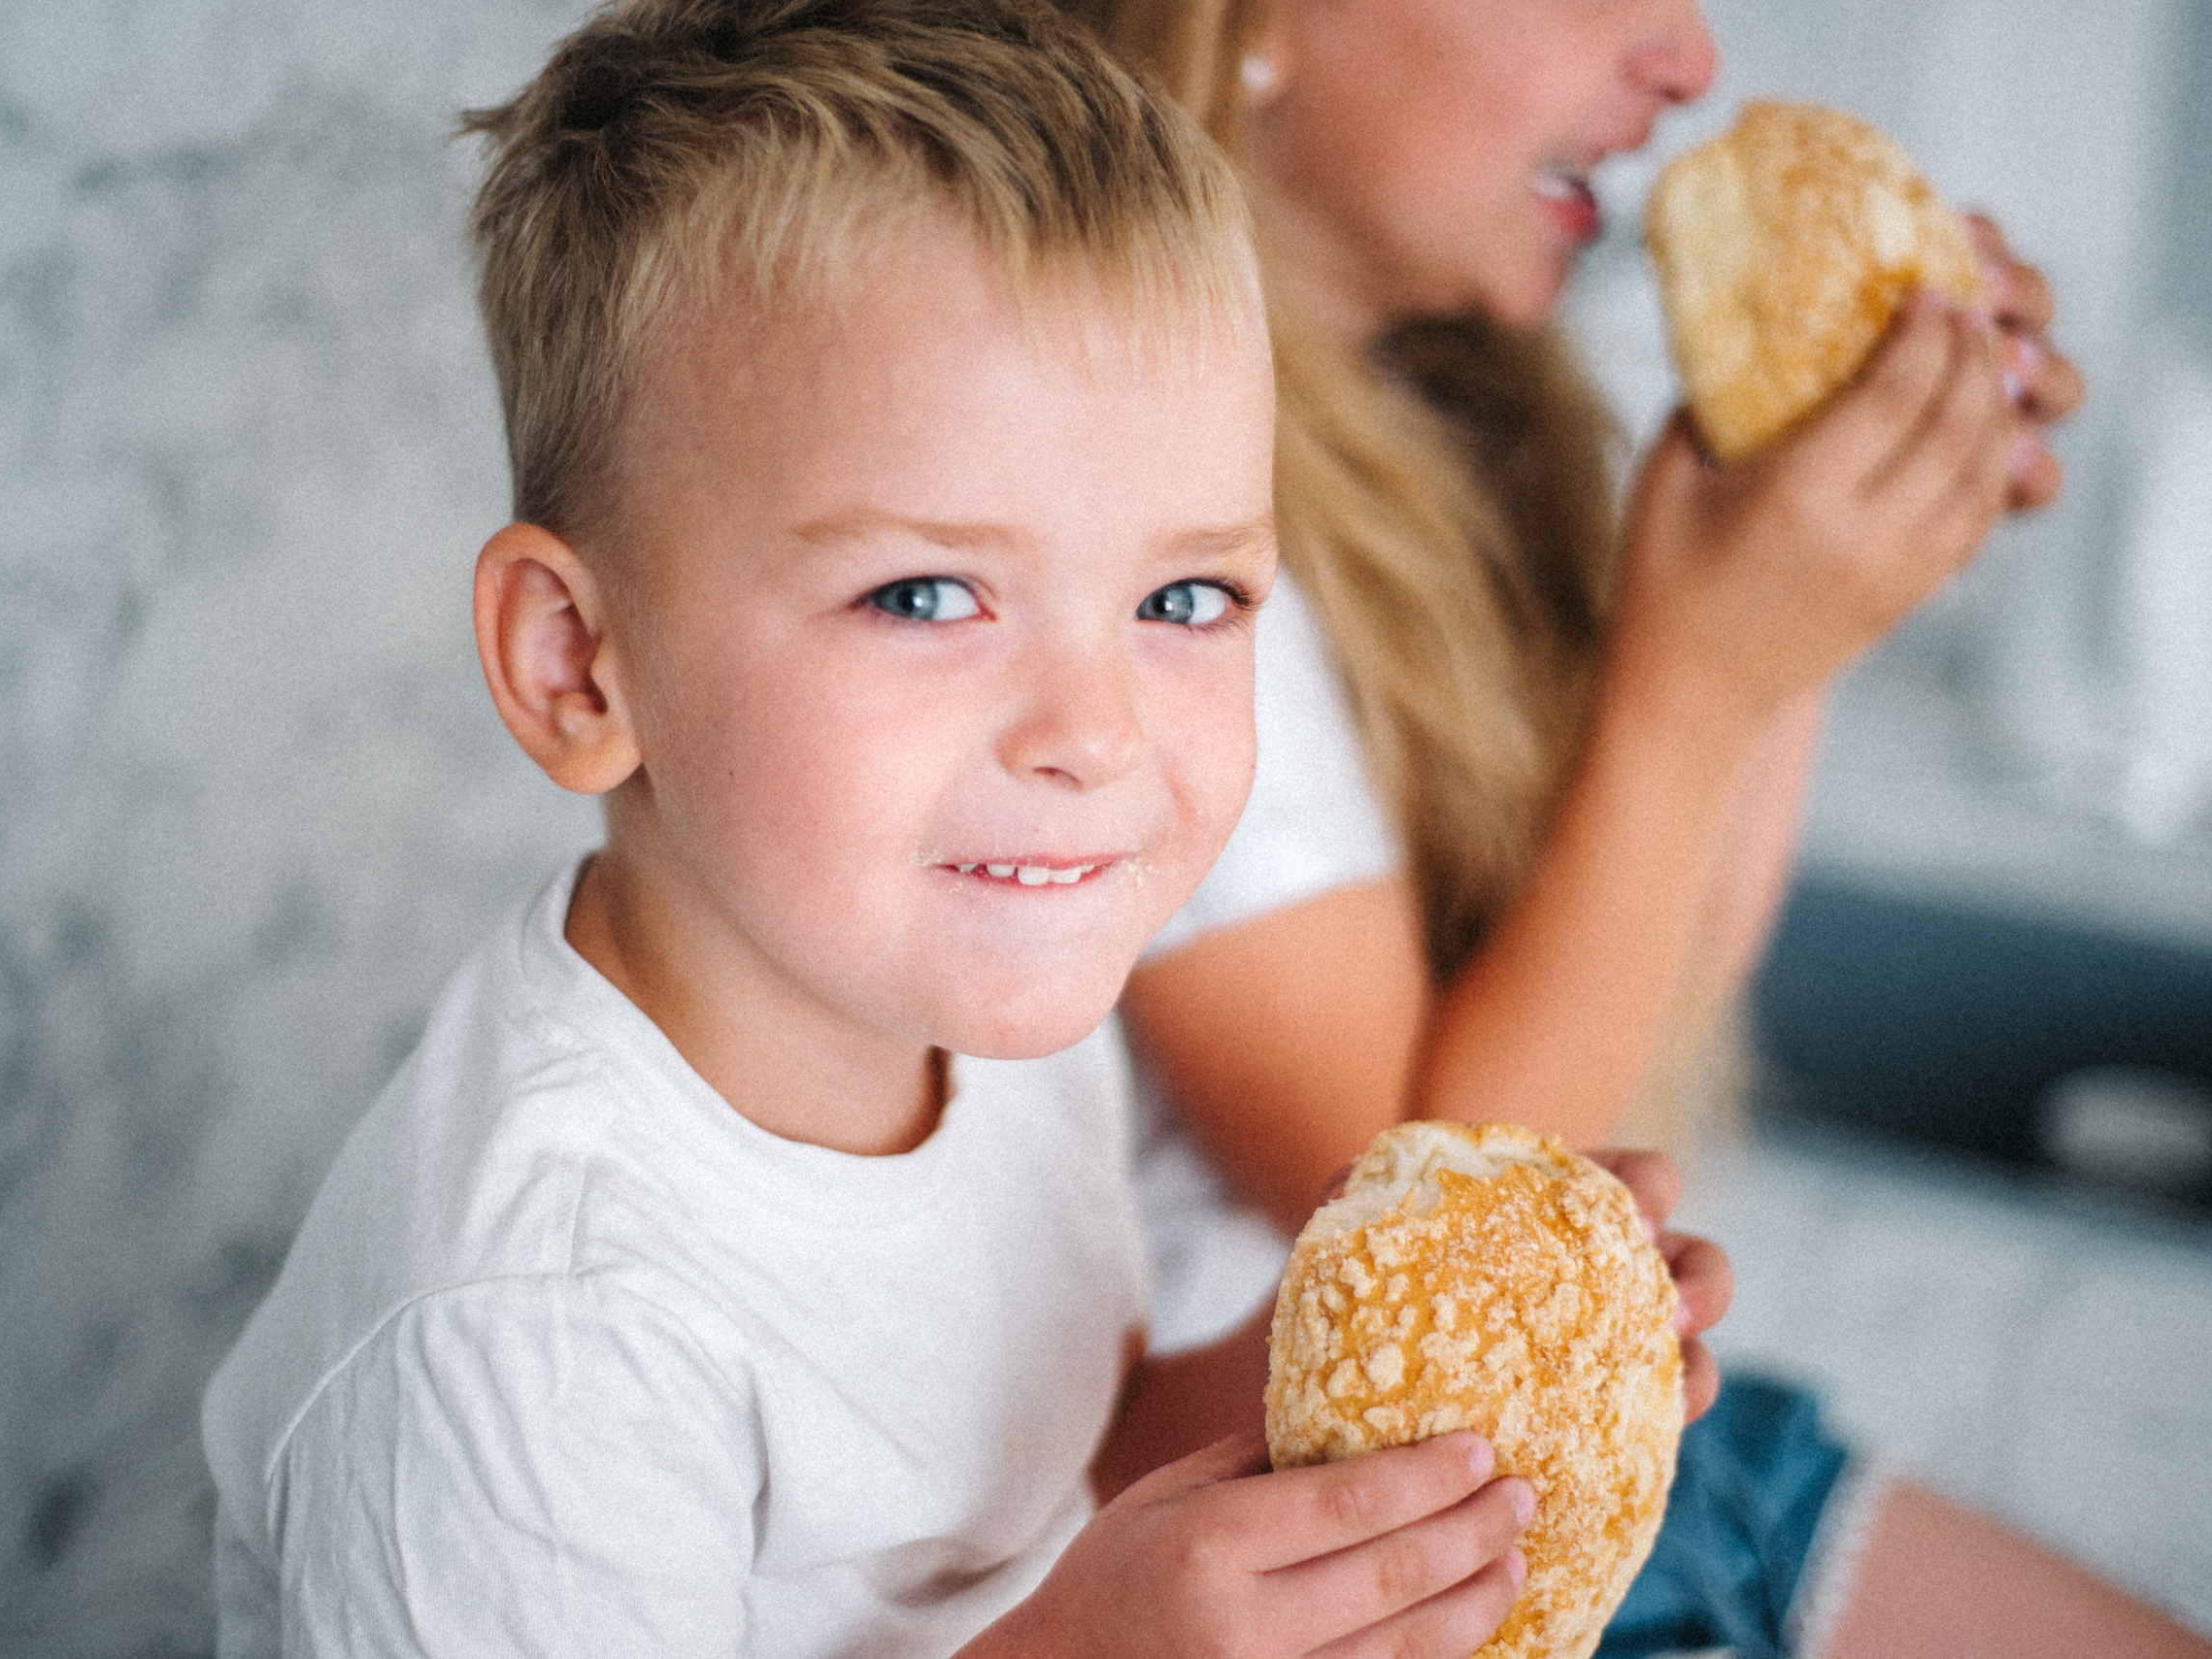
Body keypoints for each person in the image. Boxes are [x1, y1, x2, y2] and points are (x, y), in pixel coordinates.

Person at [195, 2, 1734, 1653]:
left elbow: (1047, 1460)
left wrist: (1402, 1427)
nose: (1095, 734)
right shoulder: (525, 1338)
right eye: (928, 594)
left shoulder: (986, 999)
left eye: (1187, 595)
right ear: (580, 664)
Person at [1059, 0, 2212, 1655]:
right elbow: (1435, 1234)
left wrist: (1789, 590)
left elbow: (1650, 996)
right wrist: (1695, 680)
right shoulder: (1145, 553)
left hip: (1624, 1468)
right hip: (1351, 1556)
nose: (1686, 59)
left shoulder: (1462, 427)